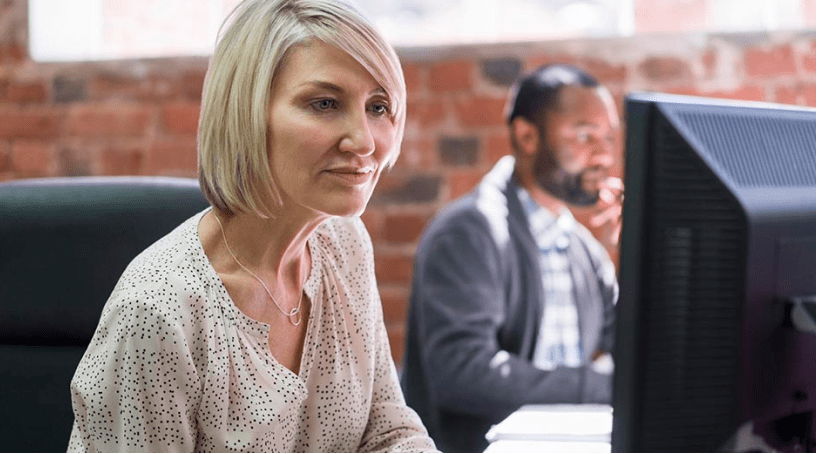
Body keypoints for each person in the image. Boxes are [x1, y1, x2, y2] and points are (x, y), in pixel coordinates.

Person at [67, 0, 437, 452]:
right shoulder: (159, 314)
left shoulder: (343, 244)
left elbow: (388, 433)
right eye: (324, 103)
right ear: (246, 111)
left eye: (378, 107)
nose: (363, 141)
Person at [400, 64, 622, 453]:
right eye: (585, 135)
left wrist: (642, 250)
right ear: (527, 135)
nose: (604, 154)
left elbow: (639, 354)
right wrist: (598, 383)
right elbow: (462, 374)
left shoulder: (585, 249)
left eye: (608, 137)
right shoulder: (469, 231)